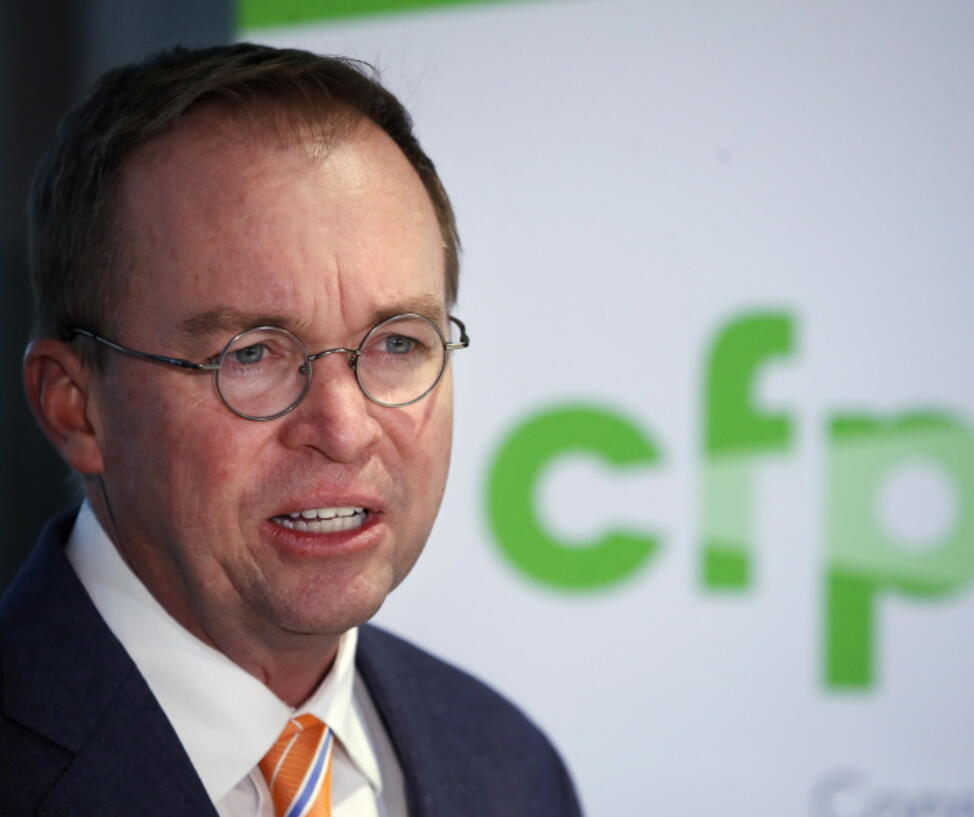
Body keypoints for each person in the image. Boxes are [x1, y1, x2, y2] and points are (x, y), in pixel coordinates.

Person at [0, 43, 582, 817]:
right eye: (252, 354)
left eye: (398, 343)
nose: (343, 429)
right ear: (76, 406)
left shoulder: (511, 767)